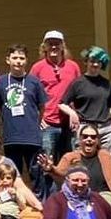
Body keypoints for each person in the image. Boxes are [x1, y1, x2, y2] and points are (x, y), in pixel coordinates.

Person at [0, 44, 49, 194]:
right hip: (11, 137)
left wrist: (35, 123)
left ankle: (39, 203)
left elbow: (42, 106)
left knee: (36, 174)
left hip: (32, 137)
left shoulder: (34, 82)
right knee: (11, 174)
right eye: (15, 58)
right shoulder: (1, 82)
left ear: (26, 61)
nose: (18, 61)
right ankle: (14, 203)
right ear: (8, 60)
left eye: (21, 58)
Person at [31, 31, 81, 160]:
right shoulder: (38, 68)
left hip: (69, 124)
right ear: (44, 47)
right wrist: (38, 117)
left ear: (62, 46)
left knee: (71, 161)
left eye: (57, 43)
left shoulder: (73, 67)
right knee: (47, 162)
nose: (54, 47)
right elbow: (30, 95)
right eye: (50, 44)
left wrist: (77, 114)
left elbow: (79, 92)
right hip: (48, 124)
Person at [59, 47, 111, 155]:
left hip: (106, 129)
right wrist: (72, 113)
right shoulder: (78, 83)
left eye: (98, 62)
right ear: (86, 62)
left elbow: (110, 105)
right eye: (92, 61)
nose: (95, 65)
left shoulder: (107, 84)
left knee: (109, 160)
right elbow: (62, 104)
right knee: (81, 160)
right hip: (85, 128)